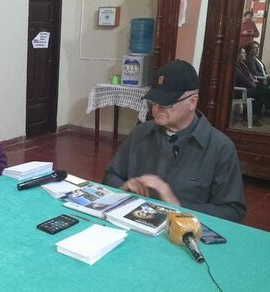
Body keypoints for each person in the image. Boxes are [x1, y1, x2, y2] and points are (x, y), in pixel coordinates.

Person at [103, 60, 246, 222]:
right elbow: (111, 176)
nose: (156, 109)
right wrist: (124, 188)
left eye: (166, 104)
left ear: (192, 102)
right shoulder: (141, 132)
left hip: (183, 232)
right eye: (154, 102)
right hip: (136, 224)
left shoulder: (220, 147)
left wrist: (176, 204)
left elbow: (233, 212)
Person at [235, 47, 264, 126]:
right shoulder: (235, 66)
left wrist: (252, 80)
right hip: (239, 91)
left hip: (247, 87)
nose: (245, 54)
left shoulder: (242, 64)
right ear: (237, 54)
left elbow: (248, 75)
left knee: (262, 91)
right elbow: (242, 79)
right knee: (261, 93)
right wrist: (252, 83)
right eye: (243, 53)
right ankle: (250, 116)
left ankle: (253, 115)